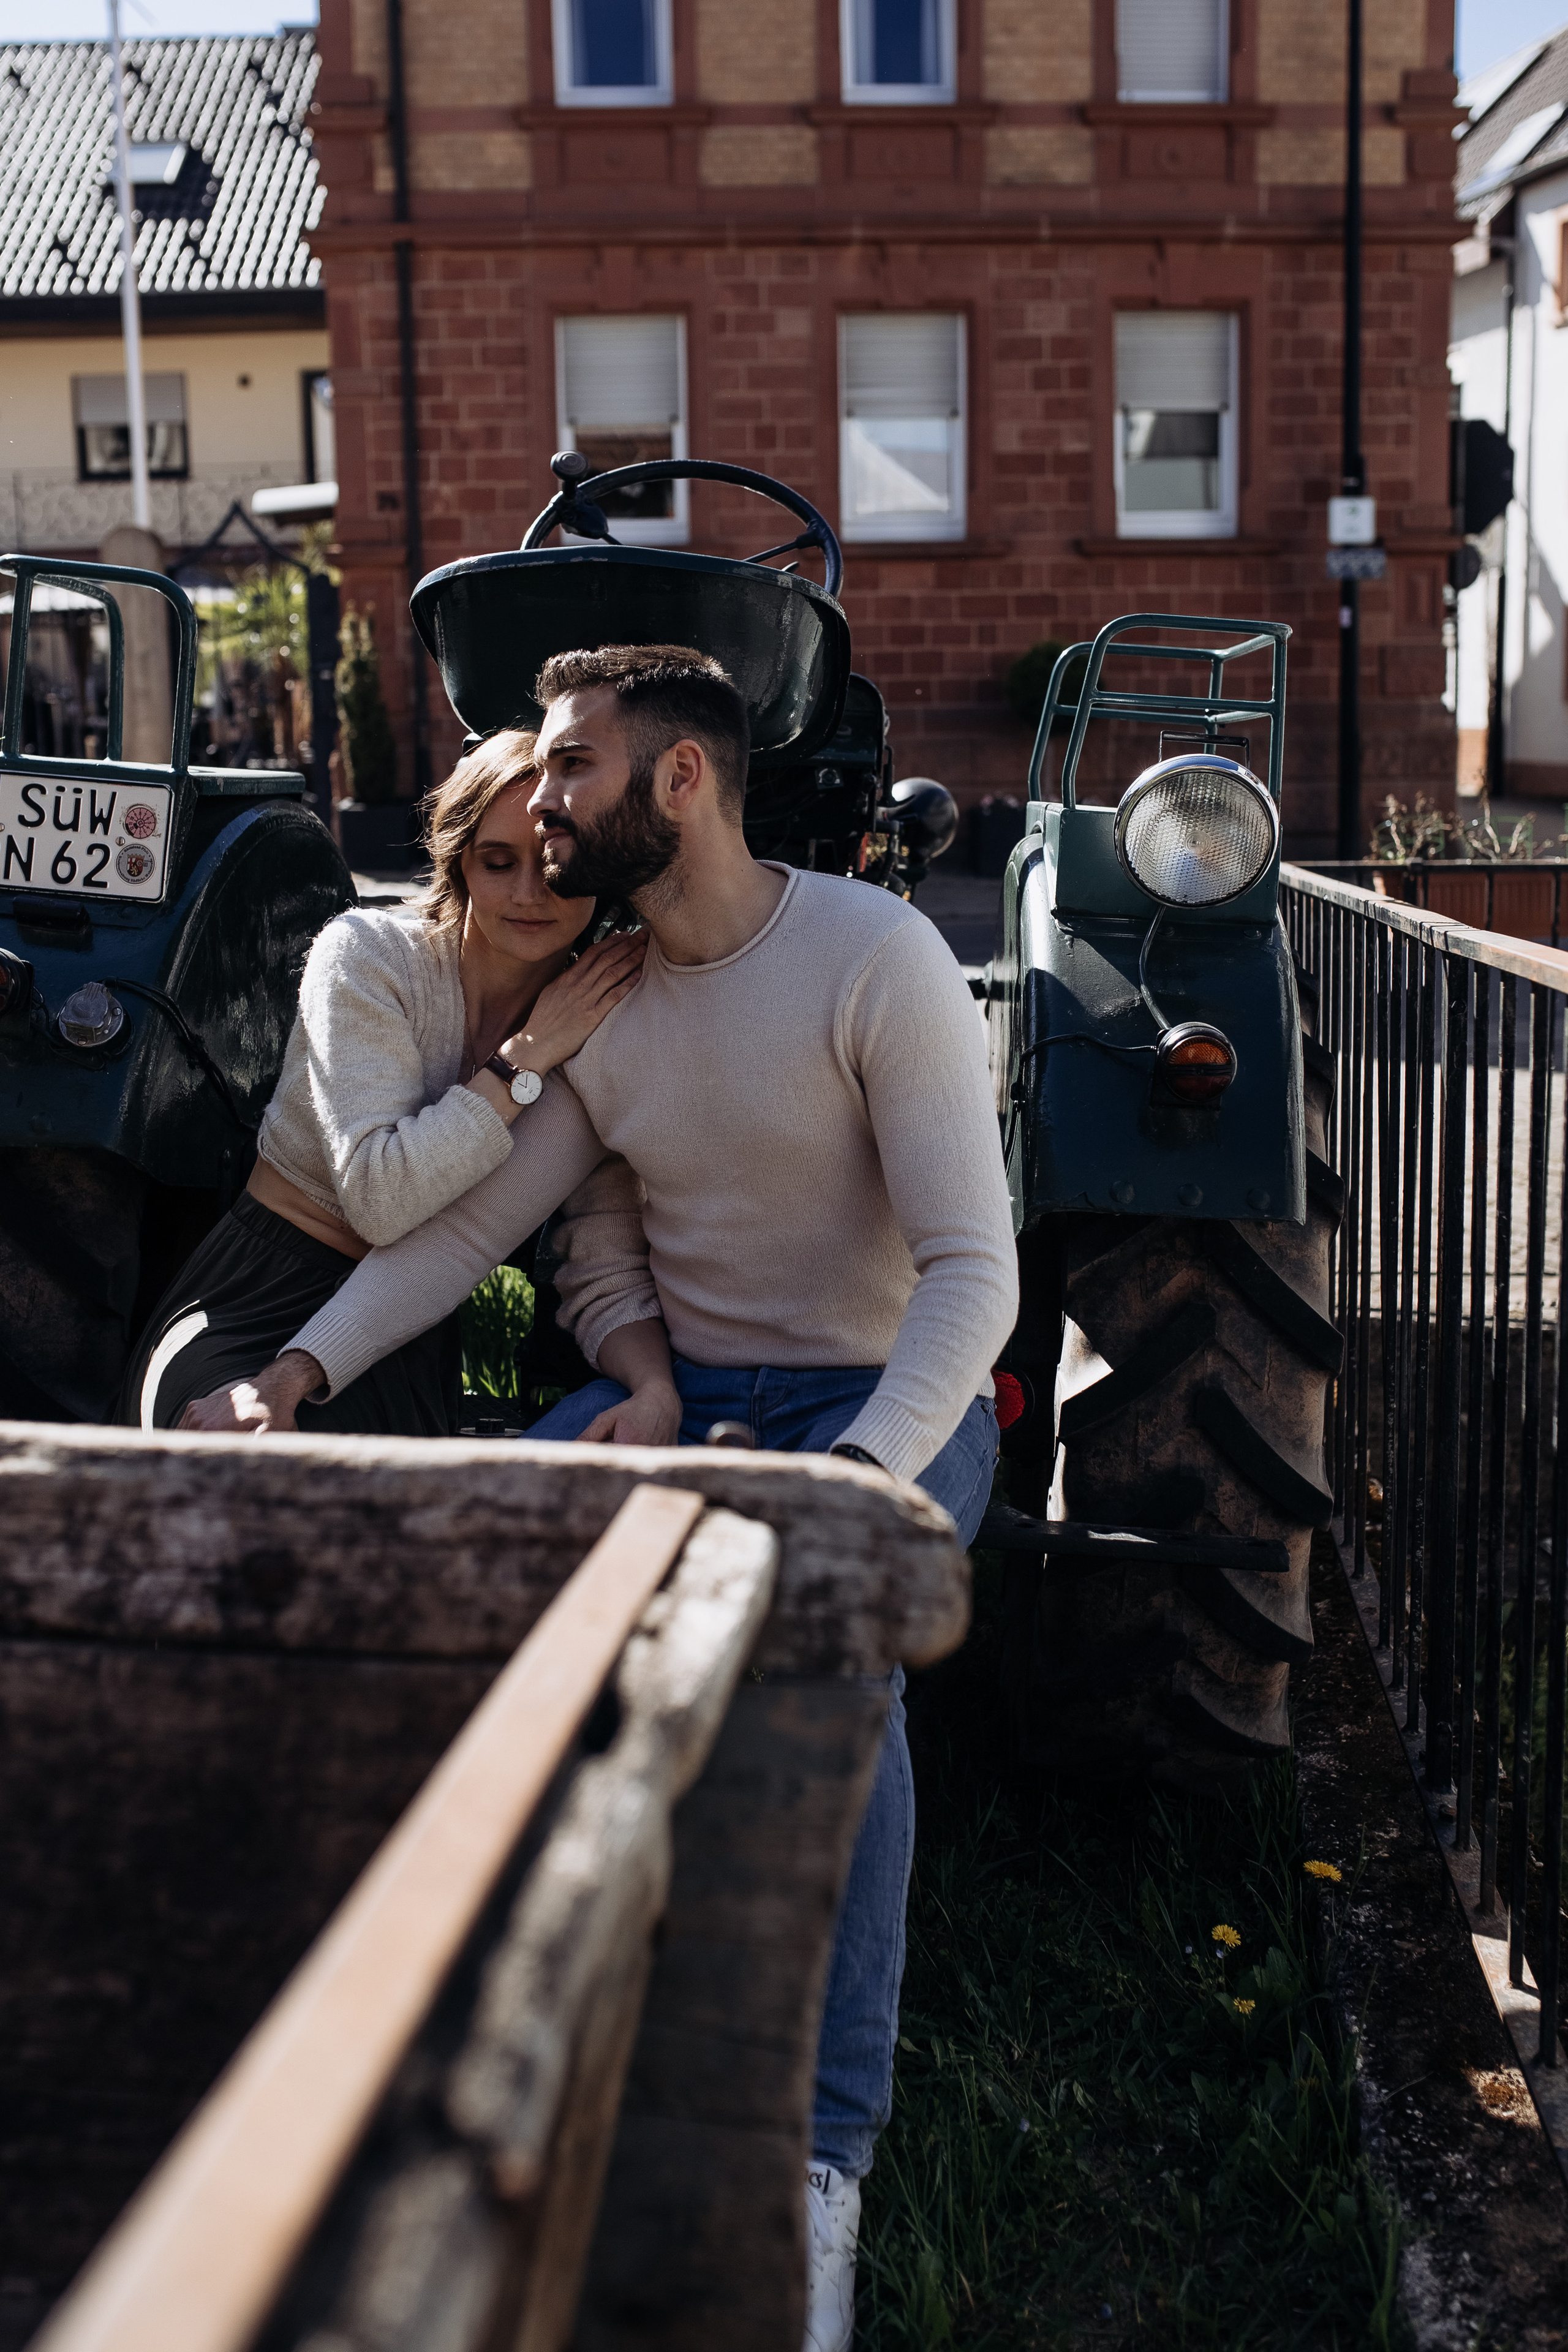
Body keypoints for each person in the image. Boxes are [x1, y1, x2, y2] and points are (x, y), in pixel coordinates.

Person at [182, 646, 1017, 2352]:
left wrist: (854, 1480)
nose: (541, 800)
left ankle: (814, 2163)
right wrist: (295, 1378)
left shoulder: (879, 960)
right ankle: (505, 2066)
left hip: (889, 1401)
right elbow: (471, 1235)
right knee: (501, 1582)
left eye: (568, 768)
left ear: (682, 781)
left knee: (824, 1656)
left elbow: (970, 1271)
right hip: (696, 1402)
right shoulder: (620, 999)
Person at [119, 727, 669, 1438]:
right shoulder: (370, 958)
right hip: (255, 1295)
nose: (530, 894)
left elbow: (603, 1268)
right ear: (459, 862)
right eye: (498, 862)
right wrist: (526, 1056)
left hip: (408, 1334)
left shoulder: (597, 1024)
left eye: (558, 866)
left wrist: (655, 1387)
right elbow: (380, 1199)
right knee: (224, 1464)